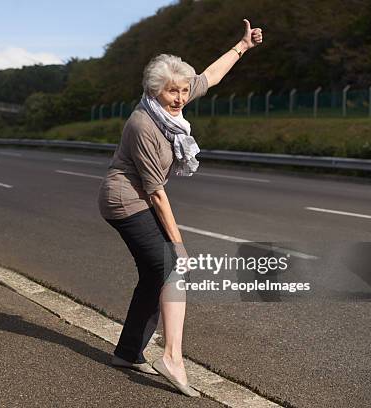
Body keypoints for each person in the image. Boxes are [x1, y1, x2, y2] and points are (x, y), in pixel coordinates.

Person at [97, 20, 263, 397]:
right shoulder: (145, 126)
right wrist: (179, 243)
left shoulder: (171, 114)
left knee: (154, 273)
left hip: (139, 196)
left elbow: (211, 76)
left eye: (184, 91)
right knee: (171, 266)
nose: (180, 97)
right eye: (172, 91)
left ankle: (127, 352)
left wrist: (242, 45)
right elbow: (155, 193)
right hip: (124, 199)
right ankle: (172, 356)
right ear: (156, 91)